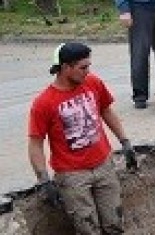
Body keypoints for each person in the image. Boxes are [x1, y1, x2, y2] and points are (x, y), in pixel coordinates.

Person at [28, 42, 139, 234]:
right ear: (65, 67)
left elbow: (106, 111)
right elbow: (35, 143)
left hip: (103, 165)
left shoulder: (93, 83)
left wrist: (125, 141)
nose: (87, 71)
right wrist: (44, 180)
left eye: (88, 66)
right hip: (72, 176)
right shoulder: (44, 103)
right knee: (88, 229)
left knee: (114, 223)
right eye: (83, 67)